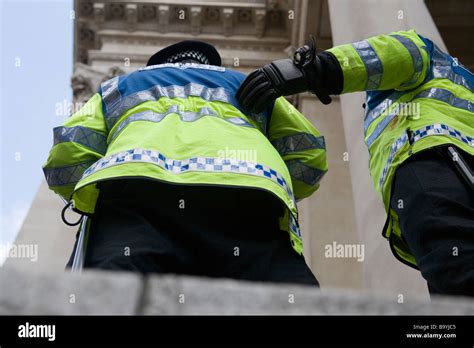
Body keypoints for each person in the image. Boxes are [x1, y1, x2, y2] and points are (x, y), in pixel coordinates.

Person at [42, 40, 328, 285]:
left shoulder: (119, 87)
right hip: (245, 201)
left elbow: (67, 153)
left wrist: (89, 196)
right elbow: (309, 154)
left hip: (137, 197)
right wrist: (273, 185)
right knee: (277, 291)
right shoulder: (246, 84)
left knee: (114, 285)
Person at [237, 30, 474, 296]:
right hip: (448, 164)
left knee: (456, 271)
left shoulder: (430, 58)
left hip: (437, 160)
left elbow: (395, 53)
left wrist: (312, 69)